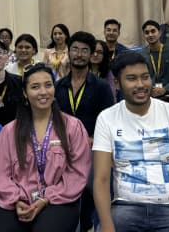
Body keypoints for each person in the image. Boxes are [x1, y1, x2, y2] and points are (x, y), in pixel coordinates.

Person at [92, 51, 169, 232]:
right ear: (117, 84)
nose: (141, 85)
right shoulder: (107, 118)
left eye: (145, 77)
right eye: (131, 79)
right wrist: (106, 225)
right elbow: (102, 179)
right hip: (125, 207)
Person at [0, 63, 91, 232]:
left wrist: (45, 199)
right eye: (35, 87)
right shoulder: (9, 131)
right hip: (17, 200)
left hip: (59, 200)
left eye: (48, 85)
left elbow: (77, 173)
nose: (43, 92)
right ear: (25, 93)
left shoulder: (72, 127)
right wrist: (17, 200)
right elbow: (1, 175)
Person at [55, 31, 115, 232]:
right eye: (74, 49)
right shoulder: (58, 86)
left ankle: (94, 223)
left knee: (91, 187)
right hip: (62, 147)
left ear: (91, 55)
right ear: (68, 53)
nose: (79, 54)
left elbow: (109, 120)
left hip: (93, 146)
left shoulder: (101, 86)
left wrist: (92, 138)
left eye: (84, 50)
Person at [139, 20, 169, 104]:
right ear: (144, 36)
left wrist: (164, 89)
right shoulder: (141, 55)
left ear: (159, 33)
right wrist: (149, 89)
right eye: (147, 32)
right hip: (148, 93)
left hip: (168, 93)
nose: (150, 35)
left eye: (153, 31)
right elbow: (140, 77)